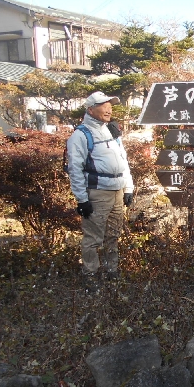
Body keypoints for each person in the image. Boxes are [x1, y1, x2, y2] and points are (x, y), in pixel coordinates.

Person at [67, 91, 134, 291]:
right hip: (97, 193)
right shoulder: (81, 135)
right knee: (93, 238)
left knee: (113, 235)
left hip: (117, 191)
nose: (108, 109)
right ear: (90, 110)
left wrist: (128, 188)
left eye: (110, 105)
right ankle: (90, 275)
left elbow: (123, 161)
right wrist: (82, 199)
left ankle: (112, 271)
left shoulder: (112, 131)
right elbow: (75, 169)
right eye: (103, 105)